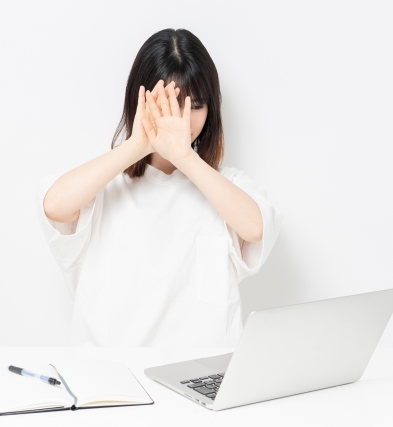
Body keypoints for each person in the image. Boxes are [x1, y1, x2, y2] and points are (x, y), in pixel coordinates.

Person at [37, 28, 282, 347]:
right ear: (140, 102)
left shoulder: (225, 186)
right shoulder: (104, 187)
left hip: (200, 371)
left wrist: (185, 157)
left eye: (196, 105)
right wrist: (136, 145)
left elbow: (256, 227)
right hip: (113, 371)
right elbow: (54, 205)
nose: (182, 120)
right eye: (169, 103)